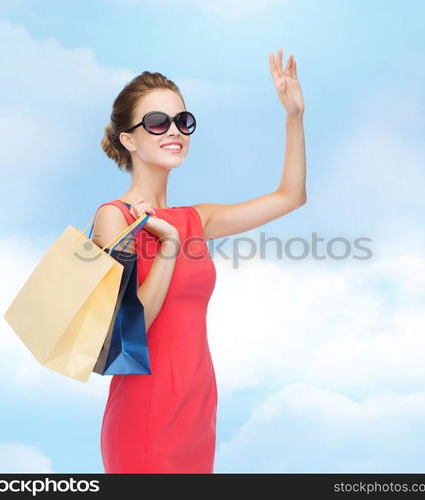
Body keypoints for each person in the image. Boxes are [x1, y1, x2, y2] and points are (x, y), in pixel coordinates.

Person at [93, 48, 307, 473]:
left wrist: (294, 118)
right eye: (157, 122)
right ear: (129, 139)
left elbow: (291, 197)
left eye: (182, 121)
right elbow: (125, 330)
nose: (174, 131)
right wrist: (168, 249)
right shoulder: (114, 217)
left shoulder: (197, 219)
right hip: (144, 411)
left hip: (198, 407)